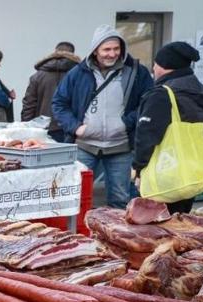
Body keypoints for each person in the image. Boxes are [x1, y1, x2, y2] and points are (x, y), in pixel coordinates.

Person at [52, 24, 153, 209]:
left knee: (120, 200)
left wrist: (126, 123)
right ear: (95, 50)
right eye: (106, 49)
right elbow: (59, 103)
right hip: (84, 146)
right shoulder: (77, 73)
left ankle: (117, 237)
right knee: (77, 198)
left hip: (120, 146)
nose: (112, 54)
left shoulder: (137, 72)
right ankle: (80, 236)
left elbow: (148, 103)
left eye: (116, 49)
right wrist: (75, 127)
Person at [133, 42, 203, 214]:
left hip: (164, 176)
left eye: (156, 63)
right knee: (182, 223)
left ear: (165, 66)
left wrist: (138, 169)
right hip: (191, 175)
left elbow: (147, 135)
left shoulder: (161, 94)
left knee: (156, 227)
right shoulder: (201, 92)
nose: (153, 68)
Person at [22, 42, 81, 142]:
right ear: (73, 54)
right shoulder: (80, 75)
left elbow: (29, 104)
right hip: (70, 127)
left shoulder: (38, 76)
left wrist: (26, 127)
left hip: (42, 128)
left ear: (55, 52)